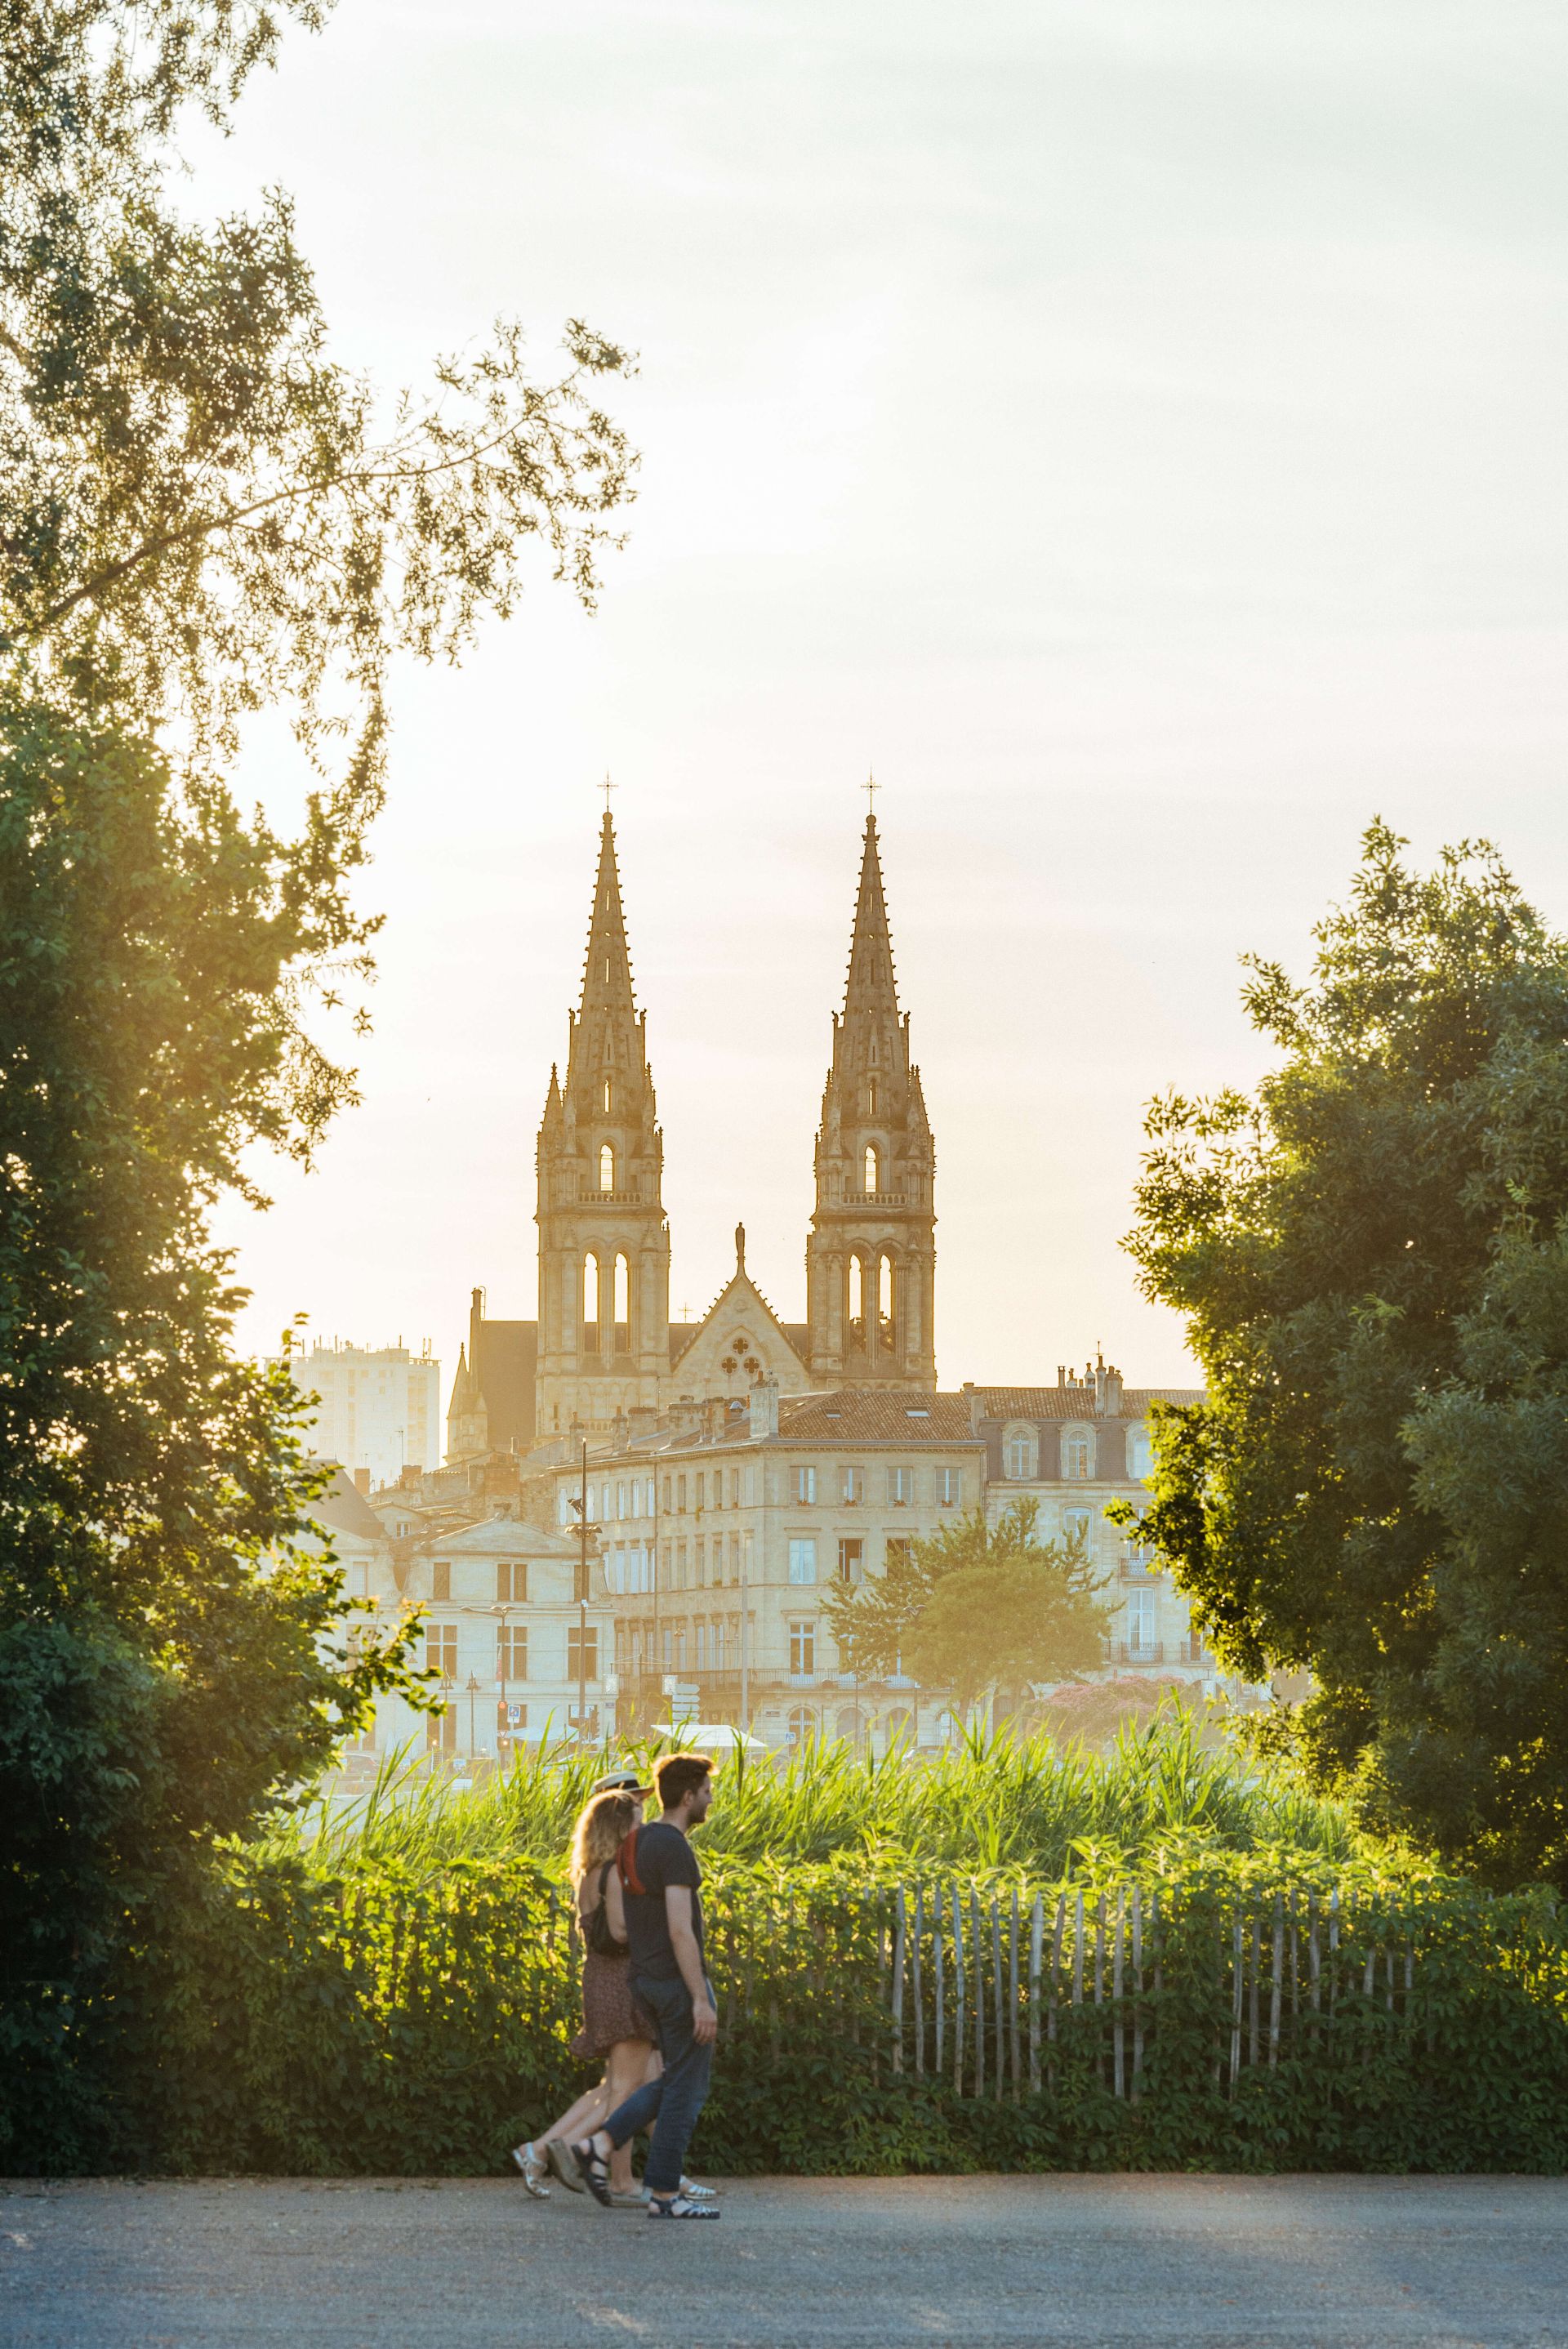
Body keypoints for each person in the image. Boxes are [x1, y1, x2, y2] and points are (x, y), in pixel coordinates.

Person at [572, 1751, 721, 2221]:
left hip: (644, 1982)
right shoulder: (674, 1848)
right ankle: (662, 2195)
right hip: (677, 1985)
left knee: (673, 2079)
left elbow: (629, 1924)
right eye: (706, 1792)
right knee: (685, 2090)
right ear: (687, 1796)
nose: (710, 1800)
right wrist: (700, 1997)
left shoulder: (634, 1845)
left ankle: (599, 2143)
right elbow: (681, 1928)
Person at [513, 1785, 655, 2204]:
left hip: (601, 1979)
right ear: (619, 1828)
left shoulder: (590, 1873)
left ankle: (539, 2152)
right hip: (623, 1982)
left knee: (615, 2086)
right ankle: (557, 2153)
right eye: (637, 1823)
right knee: (624, 2090)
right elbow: (621, 1932)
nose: (642, 1830)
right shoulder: (614, 1873)